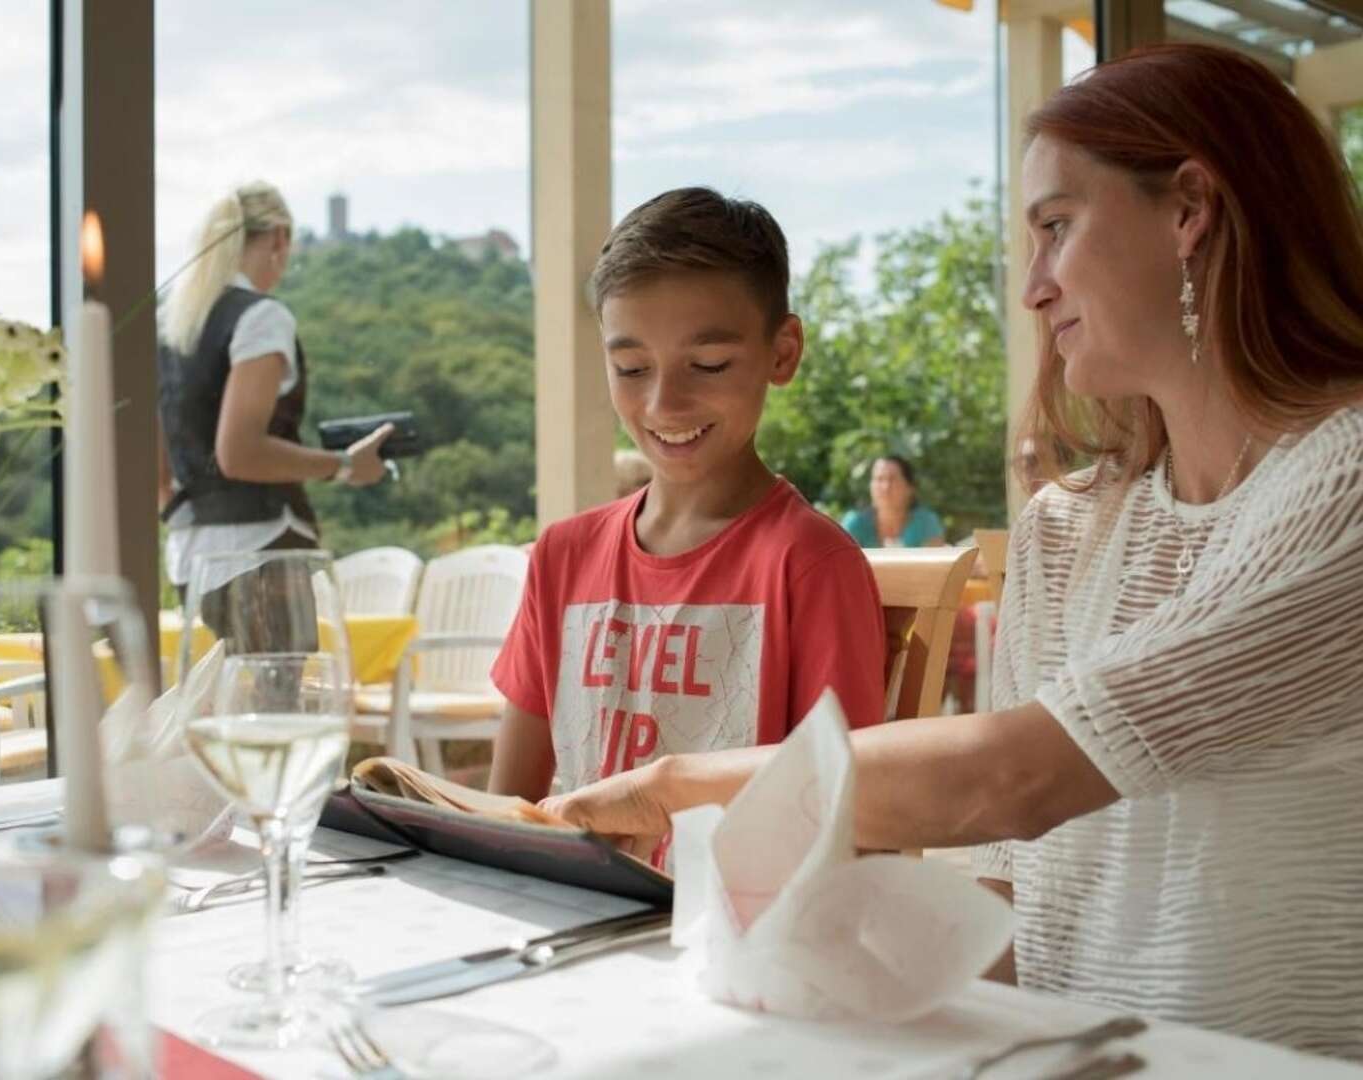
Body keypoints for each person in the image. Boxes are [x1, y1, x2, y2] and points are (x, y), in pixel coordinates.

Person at [538, 45, 1363, 1062]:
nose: (1032, 289)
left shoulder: (1345, 483)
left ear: (1189, 210)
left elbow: (1018, 778)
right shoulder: (1069, 530)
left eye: (1057, 228)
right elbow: (1008, 893)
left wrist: (673, 785)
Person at [487, 187, 889, 803]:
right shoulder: (562, 557)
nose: (663, 404)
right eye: (631, 369)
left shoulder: (809, 566)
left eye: (708, 365)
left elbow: (846, 823)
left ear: (782, 353)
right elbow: (507, 809)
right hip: (580, 900)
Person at [156, 181, 392, 640]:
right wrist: (345, 466)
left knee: (220, 703)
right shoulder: (261, 317)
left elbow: (157, 468)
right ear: (279, 238)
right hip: (262, 551)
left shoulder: (171, 324)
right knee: (280, 704)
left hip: (190, 557)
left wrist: (199, 515)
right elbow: (239, 453)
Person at [840, 455, 946, 547]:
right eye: (879, 479)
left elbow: (935, 569)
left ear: (910, 487)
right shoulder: (855, 523)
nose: (885, 487)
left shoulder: (926, 523)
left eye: (893, 479)